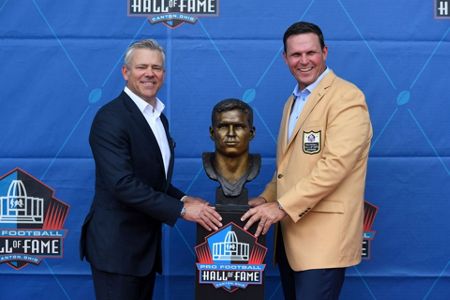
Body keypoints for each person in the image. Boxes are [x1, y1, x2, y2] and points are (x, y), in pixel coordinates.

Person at [80, 39, 222, 300]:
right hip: (117, 249)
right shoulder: (110, 118)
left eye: (156, 68)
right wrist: (181, 210)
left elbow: (152, 178)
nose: (149, 73)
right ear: (126, 72)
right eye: (141, 67)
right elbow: (122, 183)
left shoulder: (158, 118)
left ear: (163, 75)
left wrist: (183, 197)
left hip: (143, 248)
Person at [241, 21, 372, 299]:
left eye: (310, 53)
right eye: (295, 55)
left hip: (323, 242)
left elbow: (335, 167)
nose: (304, 61)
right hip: (291, 240)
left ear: (325, 52)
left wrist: (281, 206)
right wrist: (265, 199)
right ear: (285, 58)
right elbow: (288, 169)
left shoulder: (347, 97)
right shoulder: (292, 102)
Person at [202, 99, 260, 202]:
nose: (231, 134)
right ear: (212, 132)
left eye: (239, 126)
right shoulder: (209, 165)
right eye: (223, 126)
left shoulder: (255, 165)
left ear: (251, 133)